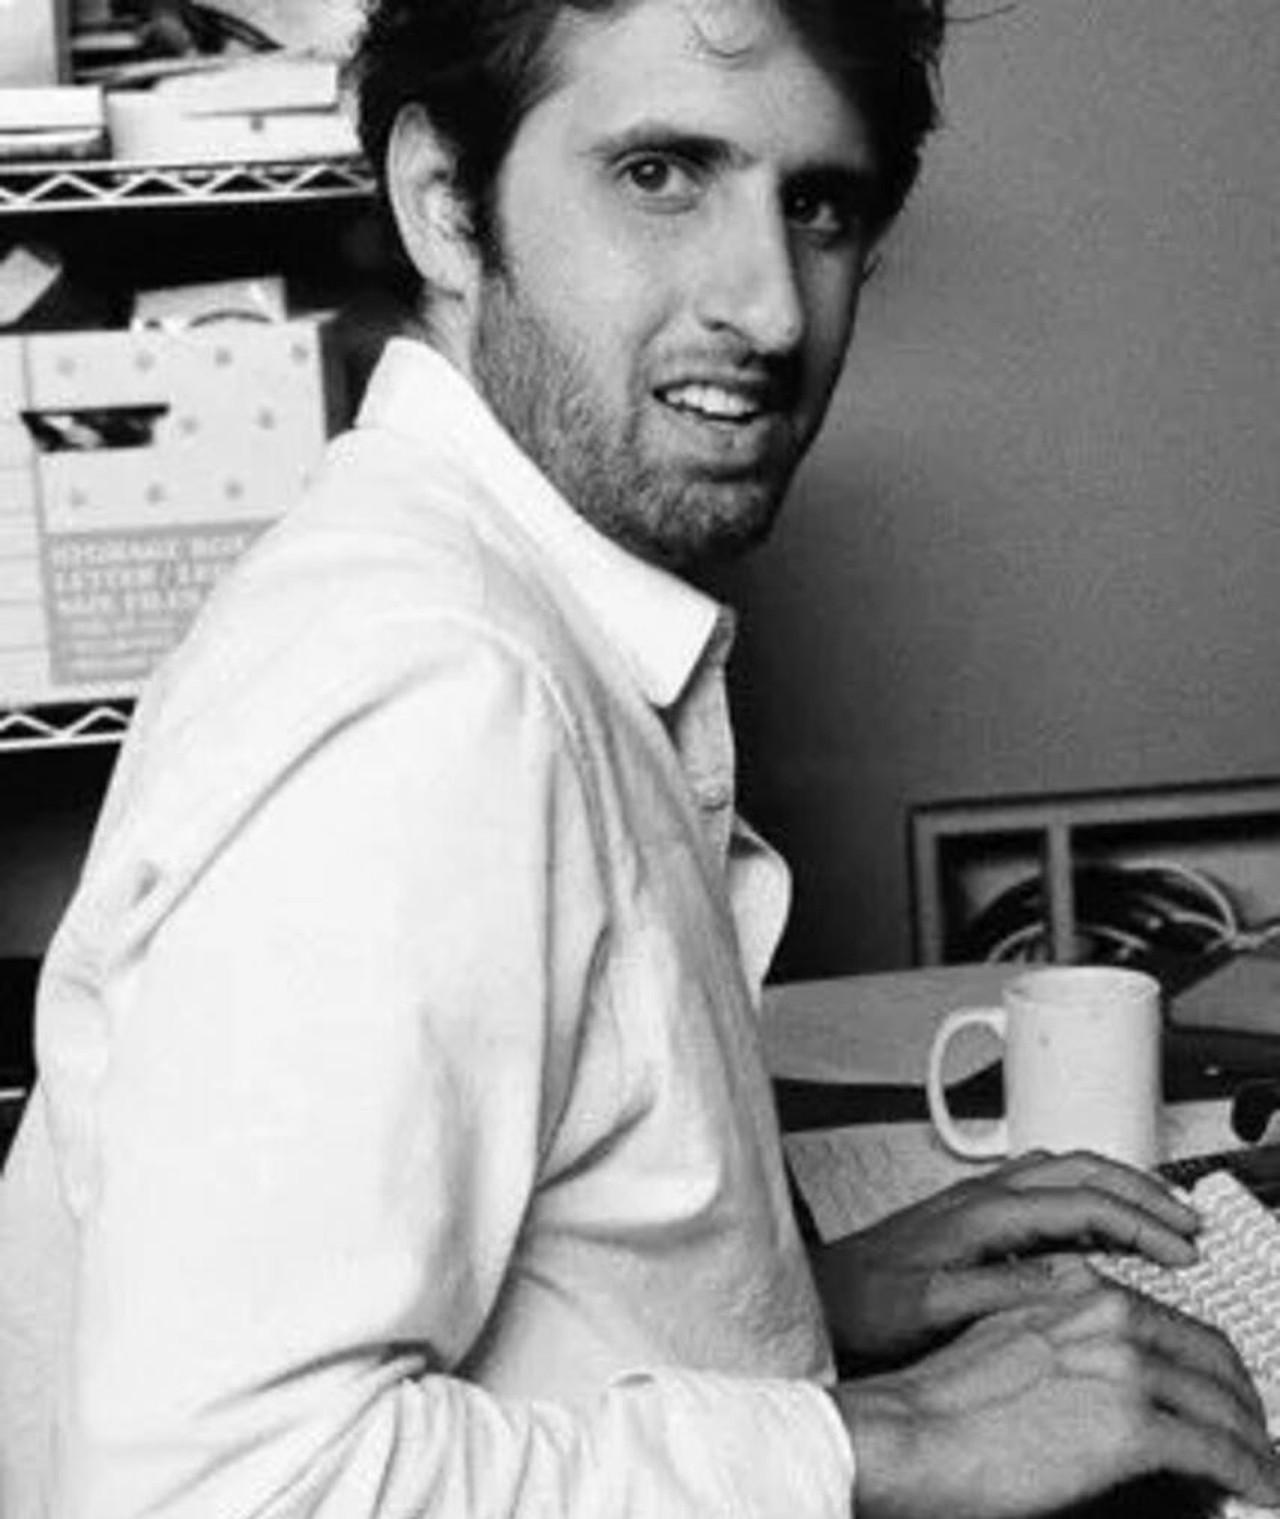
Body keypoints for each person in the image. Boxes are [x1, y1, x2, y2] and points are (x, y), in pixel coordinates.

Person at [1, 0, 1278, 1514]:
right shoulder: (435, 695)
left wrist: (809, 1297)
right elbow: (212, 1493)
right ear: (443, 204)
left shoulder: (493, 592)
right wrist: (892, 1441)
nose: (773, 310)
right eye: (660, 175)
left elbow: (522, 1262)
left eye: (818, 205)